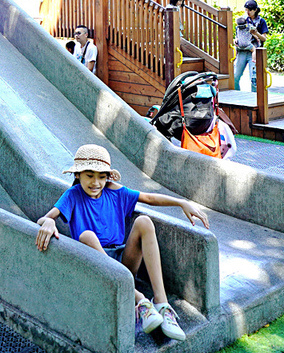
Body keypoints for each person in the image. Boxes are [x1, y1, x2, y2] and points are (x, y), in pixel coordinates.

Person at [34, 144, 208, 342]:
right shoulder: (73, 195)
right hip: (95, 265)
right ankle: (140, 300)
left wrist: (181, 203)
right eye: (89, 175)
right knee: (87, 236)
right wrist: (48, 221)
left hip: (122, 265)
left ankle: (161, 304)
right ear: (78, 175)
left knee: (144, 221)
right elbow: (45, 218)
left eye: (101, 176)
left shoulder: (115, 192)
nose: (96, 182)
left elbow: (149, 197)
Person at [232, 0, 268, 92]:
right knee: (235, 76)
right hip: (242, 51)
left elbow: (264, 38)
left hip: (254, 51)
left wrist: (256, 33)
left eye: (250, 10)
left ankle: (255, 100)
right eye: (246, 10)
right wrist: (236, 40)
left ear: (255, 10)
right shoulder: (243, 20)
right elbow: (238, 34)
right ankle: (237, 95)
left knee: (254, 78)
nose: (247, 12)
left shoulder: (261, 21)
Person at [170, 0, 187, 70]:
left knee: (179, 41)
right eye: (179, 1)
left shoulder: (177, 7)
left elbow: (179, 20)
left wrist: (180, 27)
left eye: (182, 1)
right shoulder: (171, 7)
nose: (180, 3)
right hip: (173, 28)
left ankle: (178, 55)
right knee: (176, 41)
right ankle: (176, 56)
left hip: (177, 28)